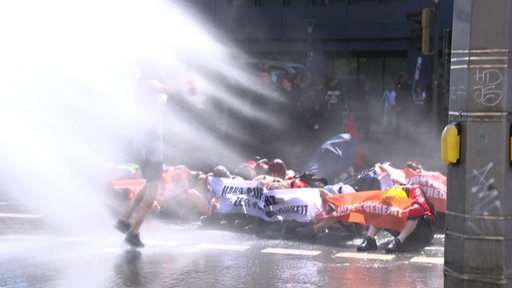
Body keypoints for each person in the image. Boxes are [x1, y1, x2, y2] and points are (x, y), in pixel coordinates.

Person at [115, 58, 178, 248]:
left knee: (149, 184)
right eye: (160, 65)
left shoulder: (141, 84)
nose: (162, 68)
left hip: (143, 141)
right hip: (151, 142)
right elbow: (165, 89)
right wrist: (185, 81)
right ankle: (134, 231)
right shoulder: (150, 84)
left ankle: (124, 219)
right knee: (153, 189)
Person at [356, 184, 435, 253]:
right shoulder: (389, 191)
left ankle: (398, 241)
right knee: (379, 210)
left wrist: (402, 211)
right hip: (401, 226)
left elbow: (419, 208)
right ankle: (370, 239)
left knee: (415, 212)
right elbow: (376, 206)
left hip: (422, 231)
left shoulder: (414, 190)